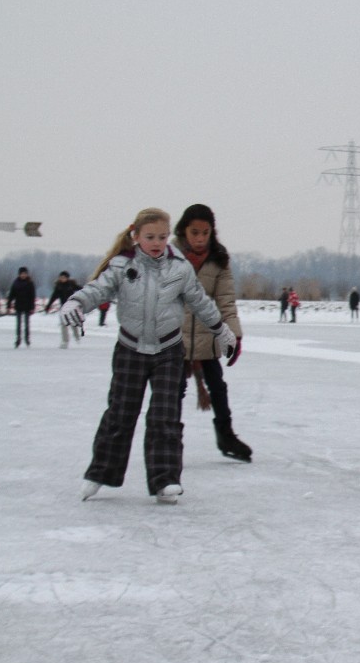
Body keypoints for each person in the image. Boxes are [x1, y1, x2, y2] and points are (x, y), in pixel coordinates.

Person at [59, 207, 236, 503]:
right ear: (136, 236)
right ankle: (99, 473)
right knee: (120, 414)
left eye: (162, 237)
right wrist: (76, 302)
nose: (157, 243)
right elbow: (98, 290)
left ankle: (165, 480)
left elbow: (200, 301)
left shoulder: (179, 268)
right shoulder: (122, 265)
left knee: (165, 416)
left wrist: (221, 330)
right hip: (130, 349)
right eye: (150, 237)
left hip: (169, 351)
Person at [173, 204, 250, 462]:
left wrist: (234, 335)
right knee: (173, 390)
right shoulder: (169, 256)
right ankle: (169, 440)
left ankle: (226, 435)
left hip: (206, 337)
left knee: (217, 386)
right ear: (184, 231)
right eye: (194, 232)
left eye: (205, 233)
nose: (200, 238)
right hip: (175, 338)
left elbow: (226, 301)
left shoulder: (219, 259)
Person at [43, 271, 84, 348]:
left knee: (73, 323)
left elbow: (81, 289)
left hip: (72, 307)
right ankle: (65, 341)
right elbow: (53, 297)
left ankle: (76, 336)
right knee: (63, 325)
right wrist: (48, 306)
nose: (62, 279)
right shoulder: (58, 287)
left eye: (64, 277)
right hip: (63, 308)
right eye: (61, 277)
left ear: (67, 278)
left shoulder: (71, 285)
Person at [6, 267, 37, 348]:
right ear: (19, 274)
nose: (23, 275)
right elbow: (12, 294)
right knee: (18, 324)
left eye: (25, 274)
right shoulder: (16, 283)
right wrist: (8, 304)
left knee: (27, 324)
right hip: (19, 305)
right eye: (22, 274)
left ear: (27, 274)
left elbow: (32, 296)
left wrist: (32, 306)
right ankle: (18, 339)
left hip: (27, 306)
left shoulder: (30, 283)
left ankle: (27, 338)